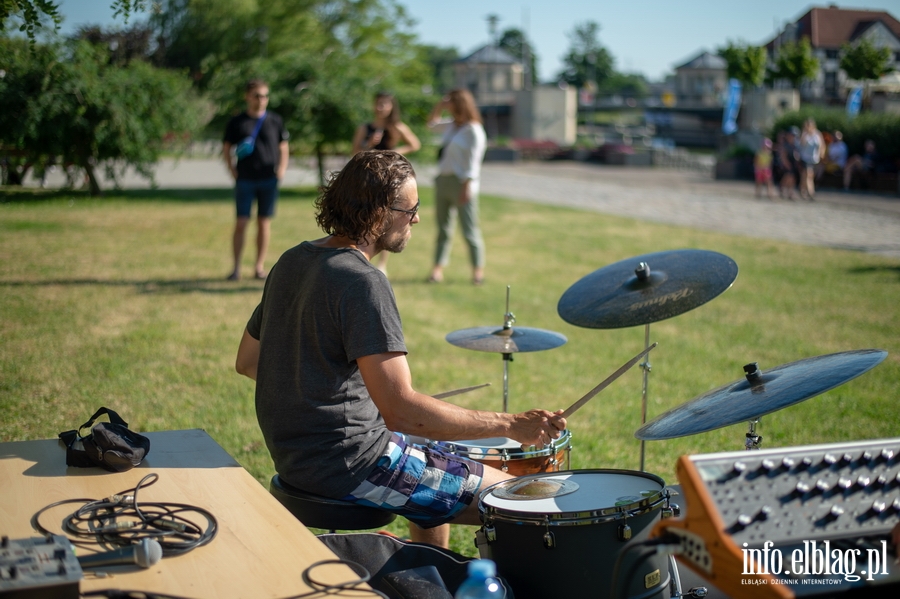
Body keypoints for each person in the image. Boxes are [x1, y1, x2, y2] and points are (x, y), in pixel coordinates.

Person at [234, 150, 566, 549]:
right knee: (524, 499)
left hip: (298, 459)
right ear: (376, 214)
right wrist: (510, 425)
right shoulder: (362, 282)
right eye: (410, 209)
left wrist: (330, 396)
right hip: (351, 466)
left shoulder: (292, 261)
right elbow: (404, 412)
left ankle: (429, 568)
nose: (417, 219)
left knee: (434, 451)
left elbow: (249, 361)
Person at [223, 79, 290, 281]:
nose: (262, 99)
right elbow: (226, 148)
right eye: (257, 95)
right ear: (248, 97)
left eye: (265, 95)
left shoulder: (275, 120)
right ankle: (236, 268)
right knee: (242, 222)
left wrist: (282, 169)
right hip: (245, 179)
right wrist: (232, 170)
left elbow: (283, 146)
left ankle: (259, 267)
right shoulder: (237, 122)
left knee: (264, 223)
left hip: (268, 179)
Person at [351, 92, 421, 277]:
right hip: (367, 177)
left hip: (387, 180)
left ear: (391, 106)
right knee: (366, 216)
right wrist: (368, 144)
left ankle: (382, 263)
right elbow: (355, 152)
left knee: (386, 218)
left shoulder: (396, 127)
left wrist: (394, 153)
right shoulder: (365, 128)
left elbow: (415, 144)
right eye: (378, 104)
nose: (380, 108)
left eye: (384, 104)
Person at [426, 89, 487, 286]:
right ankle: (437, 269)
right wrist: (439, 105)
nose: (448, 105)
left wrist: (466, 187)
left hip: (462, 184)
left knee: (469, 230)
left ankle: (478, 272)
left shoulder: (473, 130)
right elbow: (431, 125)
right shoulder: (451, 126)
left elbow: (474, 163)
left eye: (450, 102)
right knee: (443, 228)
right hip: (444, 180)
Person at [797, 118, 825, 201]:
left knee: (805, 175)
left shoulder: (817, 134)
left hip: (814, 159)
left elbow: (822, 145)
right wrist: (805, 134)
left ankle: (801, 189)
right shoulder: (805, 134)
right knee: (809, 174)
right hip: (805, 158)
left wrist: (821, 154)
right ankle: (811, 192)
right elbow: (801, 144)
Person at [778, 126, 800, 200]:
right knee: (789, 177)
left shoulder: (795, 145)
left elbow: (797, 154)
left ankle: (789, 192)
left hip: (793, 162)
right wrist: (786, 164)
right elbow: (783, 156)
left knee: (792, 178)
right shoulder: (786, 145)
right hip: (787, 163)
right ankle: (783, 188)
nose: (792, 137)